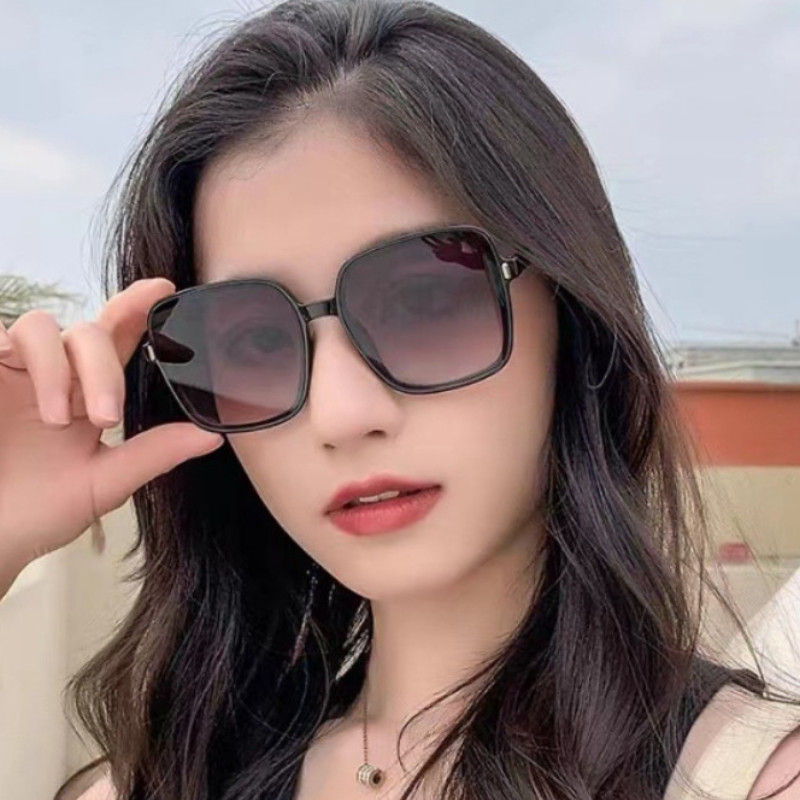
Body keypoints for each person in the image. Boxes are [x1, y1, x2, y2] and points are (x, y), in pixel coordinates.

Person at [0, 0, 798, 798]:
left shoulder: (747, 779)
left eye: (423, 301)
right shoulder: (159, 778)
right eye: (250, 343)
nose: (343, 414)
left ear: (570, 311)